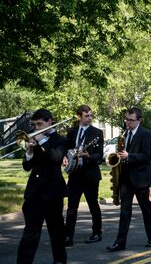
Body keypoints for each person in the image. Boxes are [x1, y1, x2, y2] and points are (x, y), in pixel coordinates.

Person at [17, 109, 67, 264]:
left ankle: (59, 261)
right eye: (34, 124)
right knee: (30, 232)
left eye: (39, 124)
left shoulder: (60, 140)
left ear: (50, 121)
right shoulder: (35, 139)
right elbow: (27, 166)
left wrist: (43, 140)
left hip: (53, 192)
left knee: (56, 231)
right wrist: (30, 150)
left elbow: (56, 158)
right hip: (34, 193)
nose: (36, 127)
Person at [106, 107, 151, 252]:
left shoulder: (145, 134)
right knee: (124, 212)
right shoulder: (125, 134)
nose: (128, 123)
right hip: (126, 178)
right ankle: (120, 242)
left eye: (131, 120)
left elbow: (147, 156)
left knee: (145, 209)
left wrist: (129, 156)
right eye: (126, 120)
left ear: (139, 120)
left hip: (140, 178)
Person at [64, 105, 104, 247]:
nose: (90, 118)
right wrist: (65, 158)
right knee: (71, 207)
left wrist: (89, 156)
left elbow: (100, 155)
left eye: (91, 115)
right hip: (75, 174)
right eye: (87, 116)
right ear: (79, 116)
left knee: (93, 205)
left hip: (90, 174)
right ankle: (68, 236)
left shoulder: (97, 132)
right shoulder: (72, 132)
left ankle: (97, 233)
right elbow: (66, 148)